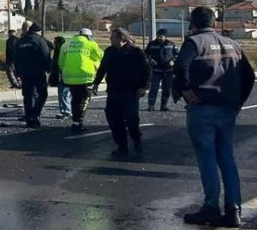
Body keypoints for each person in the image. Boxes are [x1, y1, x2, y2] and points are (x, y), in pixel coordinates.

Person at [174, 6, 255, 227]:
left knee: (207, 157)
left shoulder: (194, 42)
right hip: (228, 110)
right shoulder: (234, 44)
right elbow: (250, 74)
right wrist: (240, 101)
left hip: (203, 108)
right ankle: (234, 209)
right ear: (214, 21)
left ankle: (211, 207)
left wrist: (186, 91)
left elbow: (181, 67)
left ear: (193, 23)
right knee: (227, 158)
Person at [92, 28, 151, 158]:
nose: (110, 39)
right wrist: (96, 83)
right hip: (113, 90)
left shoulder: (136, 52)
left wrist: (144, 86)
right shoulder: (110, 51)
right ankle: (121, 145)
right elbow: (103, 68)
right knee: (113, 118)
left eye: (113, 37)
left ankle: (136, 139)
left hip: (130, 91)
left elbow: (146, 70)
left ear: (121, 38)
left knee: (131, 119)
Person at [59, 28, 103, 133]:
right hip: (85, 78)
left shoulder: (66, 45)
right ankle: (78, 123)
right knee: (84, 101)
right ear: (89, 37)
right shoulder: (90, 44)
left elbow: (61, 62)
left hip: (70, 78)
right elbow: (101, 56)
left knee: (75, 100)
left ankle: (75, 122)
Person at [15, 22, 52, 128]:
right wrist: (49, 68)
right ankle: (35, 115)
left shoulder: (21, 41)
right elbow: (46, 55)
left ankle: (29, 119)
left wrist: (17, 72)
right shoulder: (40, 40)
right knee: (42, 94)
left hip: (24, 73)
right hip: (38, 72)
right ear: (38, 32)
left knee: (28, 96)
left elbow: (16, 58)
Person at [145, 28, 178, 112]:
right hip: (156, 71)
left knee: (166, 89)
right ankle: (151, 105)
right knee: (154, 88)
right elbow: (145, 55)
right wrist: (150, 60)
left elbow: (177, 55)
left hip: (168, 71)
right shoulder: (151, 44)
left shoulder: (171, 44)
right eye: (158, 36)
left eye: (161, 36)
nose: (159, 38)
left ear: (165, 37)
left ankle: (163, 106)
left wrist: (173, 61)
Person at [50, 36, 72, 120]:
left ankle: (66, 111)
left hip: (63, 73)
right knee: (63, 93)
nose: (54, 43)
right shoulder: (60, 50)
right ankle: (64, 110)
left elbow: (58, 63)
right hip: (62, 73)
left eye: (55, 42)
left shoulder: (61, 50)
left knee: (63, 93)